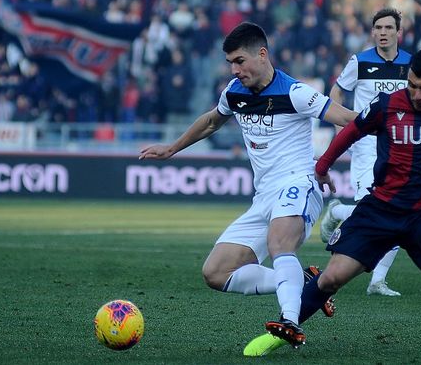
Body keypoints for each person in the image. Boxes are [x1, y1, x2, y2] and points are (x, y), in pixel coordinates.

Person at [248, 48, 421, 364]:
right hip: (379, 210)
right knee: (332, 278)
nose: (416, 94)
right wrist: (323, 167)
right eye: (412, 85)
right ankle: (281, 329)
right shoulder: (388, 104)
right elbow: (351, 131)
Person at [139, 22, 357, 345]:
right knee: (215, 272)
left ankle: (291, 320)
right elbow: (212, 121)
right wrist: (172, 148)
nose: (234, 69)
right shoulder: (235, 93)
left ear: (262, 54)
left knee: (279, 243)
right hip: (264, 196)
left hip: (299, 183)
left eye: (239, 61)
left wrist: (389, 125)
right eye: (230, 63)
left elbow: (347, 119)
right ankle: (304, 284)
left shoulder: (295, 93)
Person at [319, 8, 412, 297]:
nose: (383, 32)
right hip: (367, 143)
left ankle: (377, 281)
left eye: (388, 28)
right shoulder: (359, 62)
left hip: (399, 145)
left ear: (399, 32)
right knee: (372, 206)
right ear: (373, 32)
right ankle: (337, 211)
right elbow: (337, 93)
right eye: (378, 28)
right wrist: (341, 127)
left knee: (398, 210)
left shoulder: (411, 64)